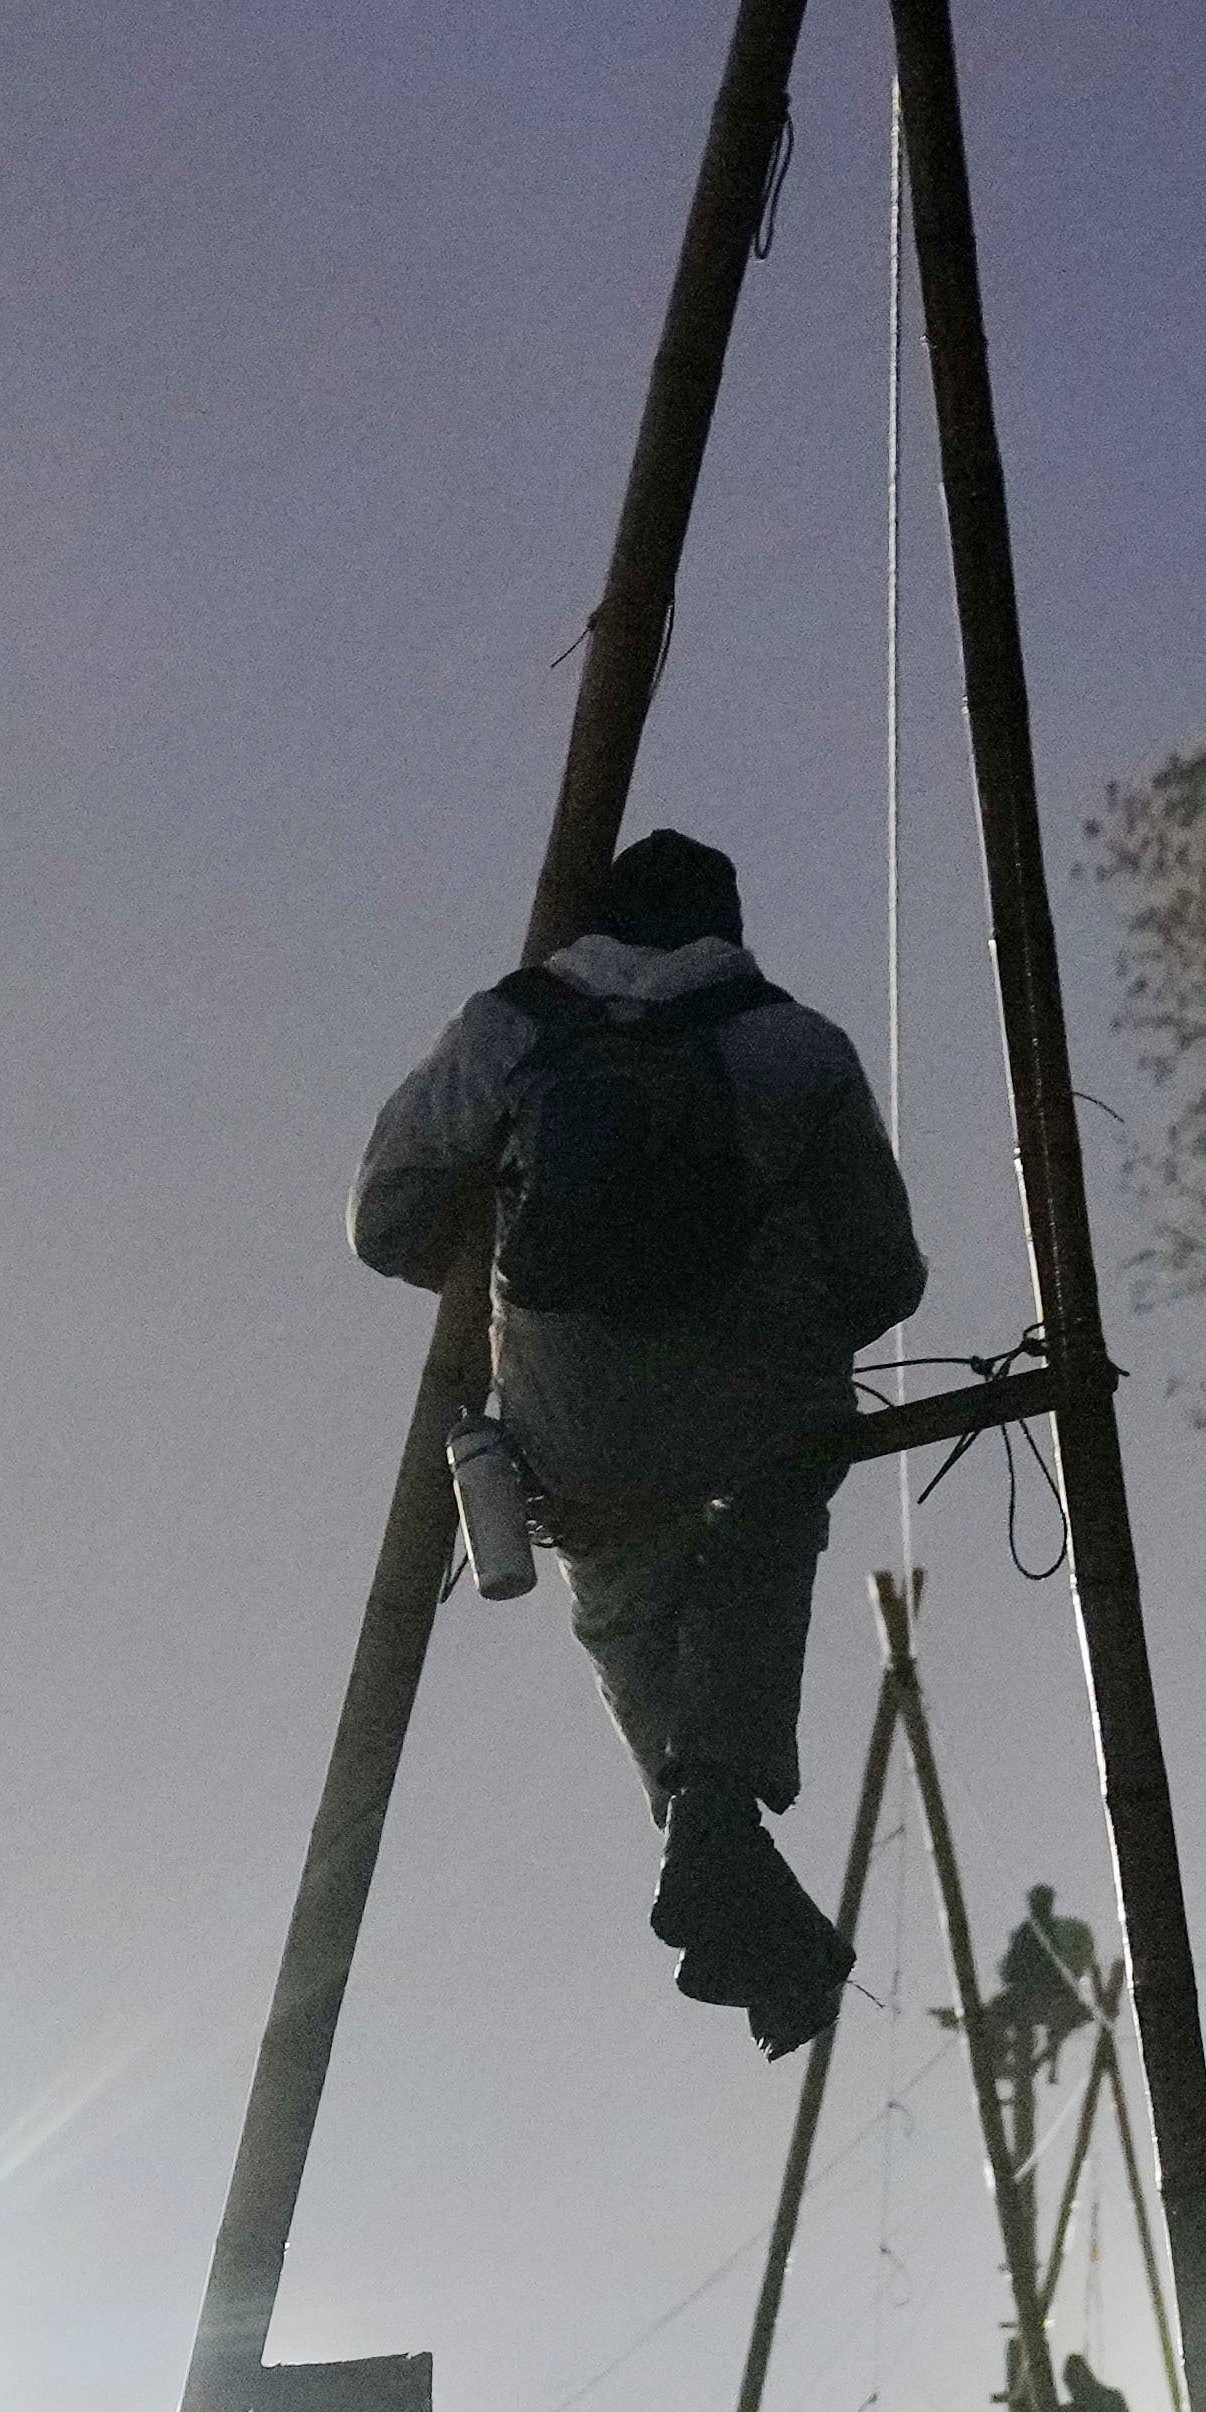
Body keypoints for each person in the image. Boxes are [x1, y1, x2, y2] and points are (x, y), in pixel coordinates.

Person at [352, 823, 929, 2049]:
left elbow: (382, 1217)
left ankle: (724, 1863)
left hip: (578, 1430)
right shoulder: (796, 1045)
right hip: (760, 1412)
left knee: (621, 1606)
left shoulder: (509, 1027)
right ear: (728, 931)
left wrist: (514, 1243)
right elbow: (885, 1273)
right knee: (764, 1546)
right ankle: (716, 1819)